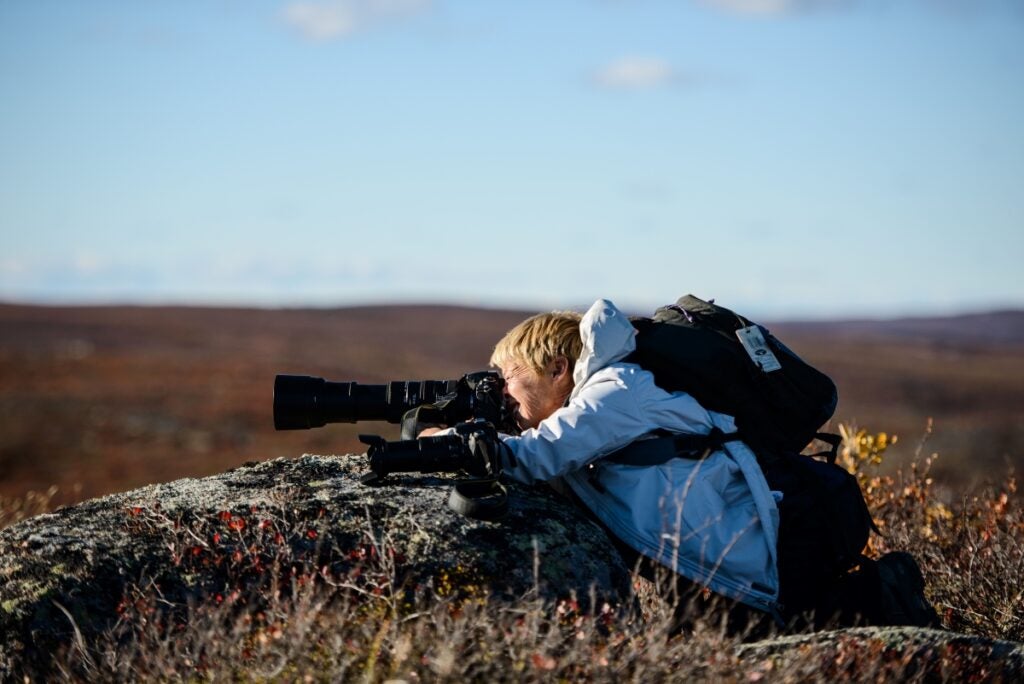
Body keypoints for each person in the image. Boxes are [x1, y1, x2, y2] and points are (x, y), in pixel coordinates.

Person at [425, 298, 782, 633]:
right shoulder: (600, 401)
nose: (501, 391)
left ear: (557, 369)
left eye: (509, 376)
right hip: (719, 572)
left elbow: (533, 457)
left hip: (746, 570)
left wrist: (448, 441)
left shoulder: (615, 391)